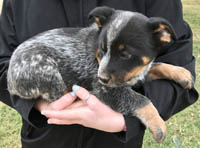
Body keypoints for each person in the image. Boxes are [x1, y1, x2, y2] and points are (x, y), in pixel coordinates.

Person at [0, 0, 198, 148]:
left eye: (125, 53)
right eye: (102, 52)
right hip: (45, 137)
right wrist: (40, 105)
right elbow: (3, 65)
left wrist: (124, 121)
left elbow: (178, 59)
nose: (103, 71)